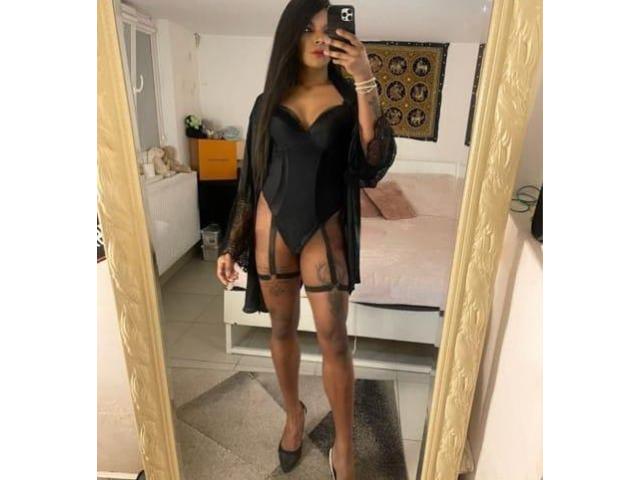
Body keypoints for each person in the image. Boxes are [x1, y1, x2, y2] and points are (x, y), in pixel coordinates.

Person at [216, 1, 396, 478]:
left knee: (333, 336)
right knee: (280, 329)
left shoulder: (350, 97)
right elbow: (251, 178)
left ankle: (344, 445)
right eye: (307, 29)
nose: (319, 38)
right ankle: (293, 414)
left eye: (327, 29)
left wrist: (364, 78)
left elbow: (374, 164)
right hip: (270, 229)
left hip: (325, 226)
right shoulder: (267, 102)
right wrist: (230, 244)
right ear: (289, 37)